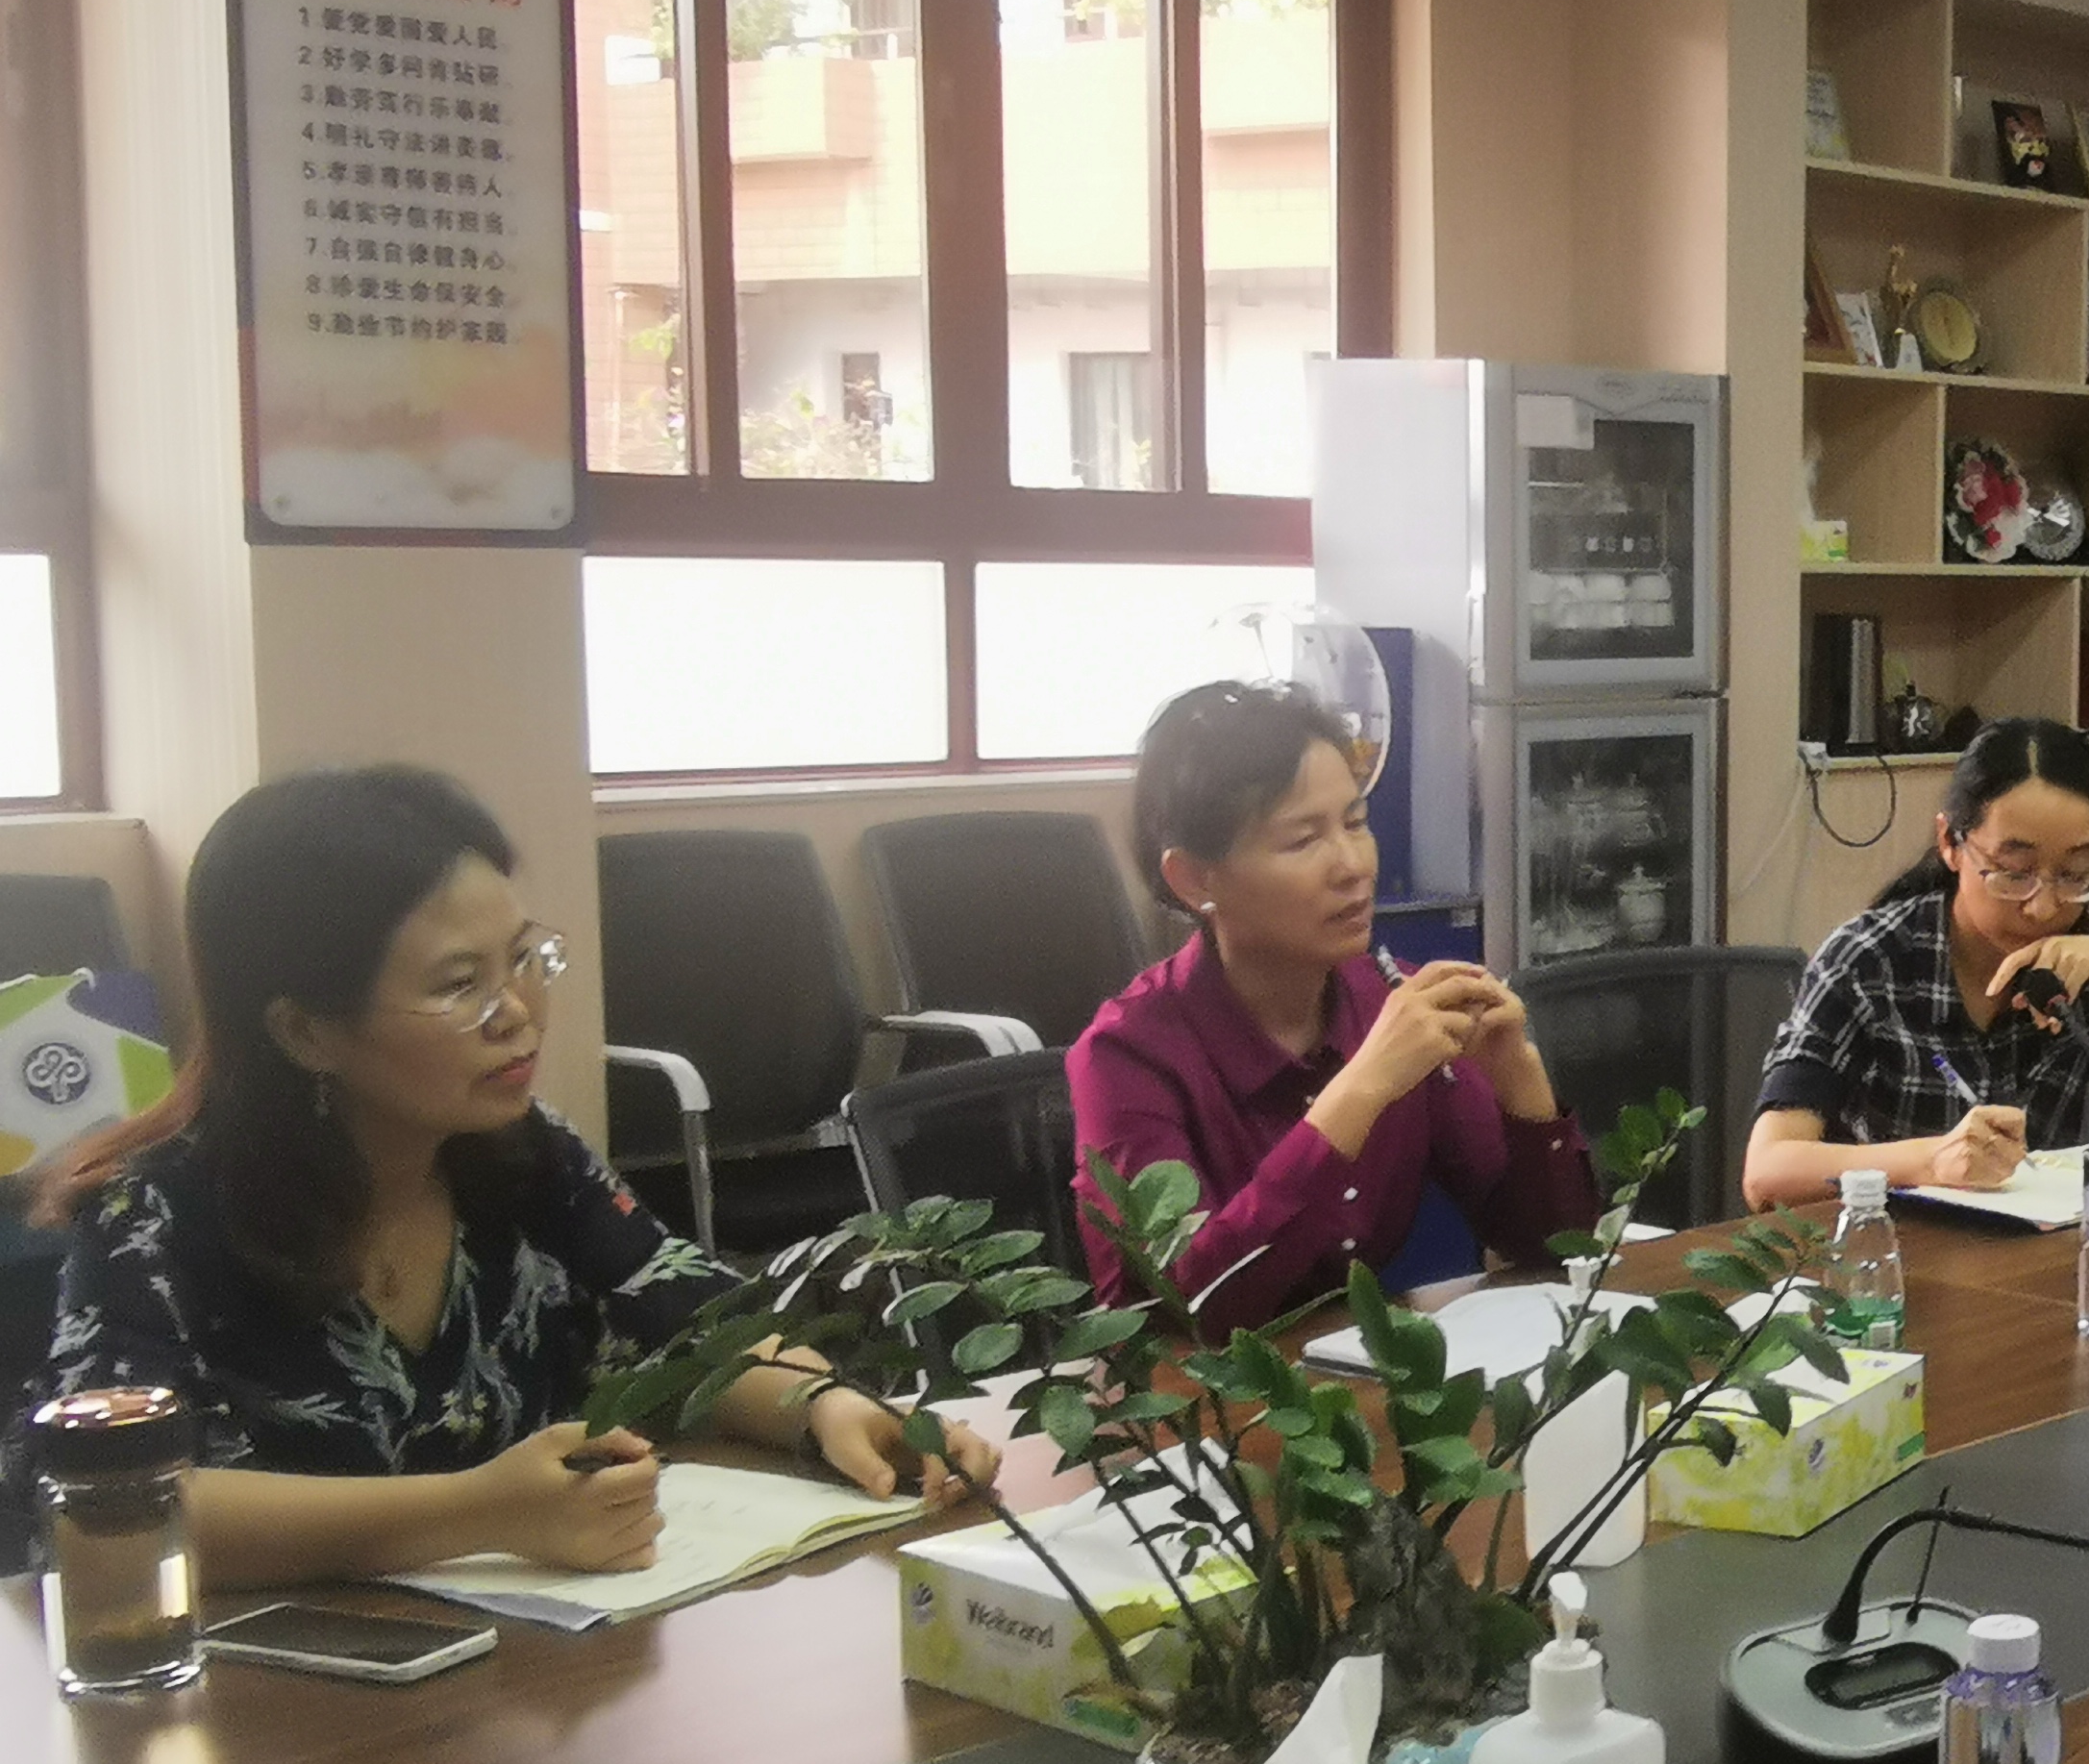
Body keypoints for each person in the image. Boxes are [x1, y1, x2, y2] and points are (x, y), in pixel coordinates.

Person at [29, 768, 976, 1593]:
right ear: (305, 1030)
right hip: (255, 1694)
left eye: (524, 958)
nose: (519, 1011)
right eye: (459, 985)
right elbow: (118, 1507)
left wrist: (828, 1407)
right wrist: (478, 1513)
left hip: (523, 1673)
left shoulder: (524, 1156)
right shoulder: (152, 1216)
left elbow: (699, 1329)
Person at [1072, 681, 1595, 1329]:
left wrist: (1521, 1084)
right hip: (1197, 1390)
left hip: (1355, 1370)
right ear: (1194, 878)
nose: (1353, 866)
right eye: (1302, 840)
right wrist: (1360, 1091)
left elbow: (1557, 1252)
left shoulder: (1392, 1001)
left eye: (1355, 823)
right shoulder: (1125, 1056)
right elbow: (1178, 1311)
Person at [1744, 718, 2089, 1210]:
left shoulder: (2084, 965)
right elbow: (1767, 1173)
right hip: (1888, 1243)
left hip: (2037, 1247)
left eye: (2075, 874)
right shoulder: (1868, 962)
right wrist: (1933, 1161)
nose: (2043, 908)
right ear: (1950, 843)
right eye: (2015, 873)